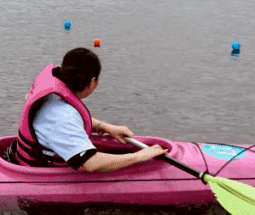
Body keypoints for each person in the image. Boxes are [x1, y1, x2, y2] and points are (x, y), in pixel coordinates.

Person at [9, 48, 166, 172]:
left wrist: (104, 126)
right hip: (39, 174)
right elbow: (91, 164)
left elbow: (55, 121)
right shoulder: (62, 115)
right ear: (92, 82)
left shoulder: (51, 95)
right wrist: (139, 156)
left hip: (25, 158)